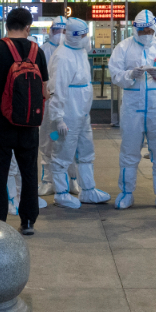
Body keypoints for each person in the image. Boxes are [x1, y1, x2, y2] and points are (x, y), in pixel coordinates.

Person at [0, 7, 49, 235]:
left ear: (6, 25)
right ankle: (27, 222)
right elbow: (43, 88)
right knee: (28, 172)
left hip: (1, 123)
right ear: (27, 27)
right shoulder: (37, 51)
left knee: (0, 173)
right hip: (29, 124)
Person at [107, 9, 156, 210]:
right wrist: (131, 75)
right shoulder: (123, 47)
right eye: (142, 30)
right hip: (132, 106)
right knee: (129, 151)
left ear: (155, 29)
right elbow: (114, 74)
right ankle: (126, 192)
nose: (146, 34)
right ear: (135, 29)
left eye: (149, 30)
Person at [48, 17, 111, 208]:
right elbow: (57, 89)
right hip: (68, 112)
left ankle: (88, 190)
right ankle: (60, 193)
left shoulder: (80, 52)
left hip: (82, 112)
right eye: (83, 35)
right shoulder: (62, 56)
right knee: (63, 152)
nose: (87, 38)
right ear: (74, 36)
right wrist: (58, 118)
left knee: (86, 150)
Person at [36, 16, 77, 196]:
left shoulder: (75, 51)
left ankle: (73, 179)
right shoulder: (42, 51)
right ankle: (47, 180)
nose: (59, 35)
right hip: (48, 104)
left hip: (70, 104)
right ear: (49, 31)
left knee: (70, 141)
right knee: (47, 140)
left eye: (62, 31)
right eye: (56, 31)